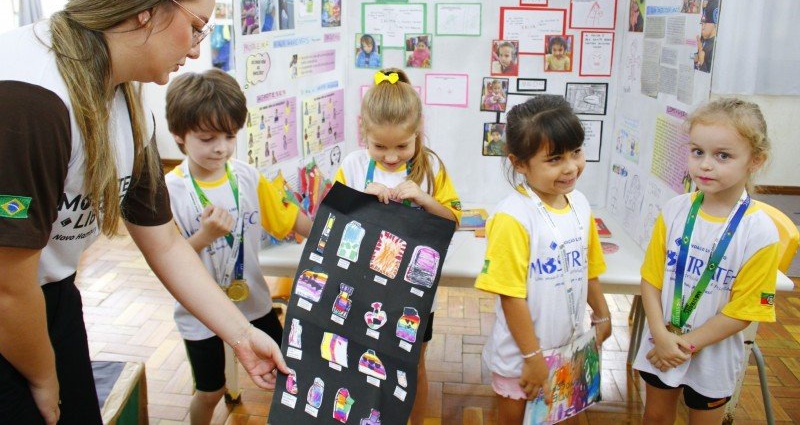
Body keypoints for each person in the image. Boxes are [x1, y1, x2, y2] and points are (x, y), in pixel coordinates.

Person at [0, 0, 288, 423]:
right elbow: (6, 286)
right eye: (196, 26)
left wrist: (240, 334)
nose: (198, 48)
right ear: (147, 8)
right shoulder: (30, 101)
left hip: (48, 296)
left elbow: (165, 243)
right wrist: (45, 376)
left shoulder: (129, 103)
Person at [164, 70, 312, 425]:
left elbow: (292, 219)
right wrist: (206, 236)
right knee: (210, 391)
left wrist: (333, 237)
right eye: (207, 138)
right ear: (178, 137)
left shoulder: (248, 176)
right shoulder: (170, 191)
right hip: (199, 313)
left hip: (253, 303)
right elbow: (168, 257)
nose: (221, 147)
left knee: (289, 370)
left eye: (230, 136)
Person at [633, 98, 779, 425]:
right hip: (661, 341)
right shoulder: (674, 210)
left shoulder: (760, 233)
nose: (705, 165)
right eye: (697, 151)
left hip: (712, 354)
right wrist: (660, 332)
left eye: (722, 156)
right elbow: (651, 279)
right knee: (655, 416)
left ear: (756, 160)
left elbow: (743, 311)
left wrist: (681, 345)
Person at [334, 68, 461, 425]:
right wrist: (361, 198)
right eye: (380, 147)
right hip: (363, 284)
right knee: (363, 356)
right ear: (364, 133)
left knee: (411, 363)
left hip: (415, 292)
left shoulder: (431, 167)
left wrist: (424, 198)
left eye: (403, 146)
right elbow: (330, 220)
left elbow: (452, 220)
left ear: (418, 130)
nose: (391, 157)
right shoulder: (354, 166)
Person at [474, 95, 611, 424]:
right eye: (554, 159)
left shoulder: (579, 203)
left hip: (566, 349)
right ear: (520, 163)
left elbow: (587, 267)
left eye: (576, 152)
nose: (570, 167)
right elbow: (511, 295)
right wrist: (532, 356)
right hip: (522, 358)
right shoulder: (513, 217)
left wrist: (603, 313)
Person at [694, 9, 717, 73]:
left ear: (714, 24)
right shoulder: (702, 39)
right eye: (701, 24)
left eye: (705, 23)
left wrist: (701, 60)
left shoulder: (715, 47)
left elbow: (708, 73)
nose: (702, 27)